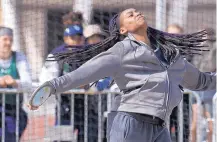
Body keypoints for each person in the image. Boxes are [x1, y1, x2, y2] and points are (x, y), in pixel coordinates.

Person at [30, 8, 216, 142]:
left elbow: (201, 81)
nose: (137, 13)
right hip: (130, 125)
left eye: (137, 11)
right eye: (130, 14)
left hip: (160, 128)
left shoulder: (170, 54)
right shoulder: (121, 52)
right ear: (123, 30)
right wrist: (51, 87)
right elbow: (82, 75)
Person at [0, 27, 32, 141]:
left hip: (13, 109)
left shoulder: (19, 57)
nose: (8, 43)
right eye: (5, 39)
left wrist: (15, 83)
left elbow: (28, 83)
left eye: (10, 40)